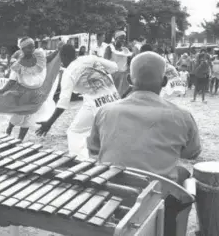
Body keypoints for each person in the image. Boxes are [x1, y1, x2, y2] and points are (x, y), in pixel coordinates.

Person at [86, 51, 201, 236]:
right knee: (184, 174)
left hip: (113, 193)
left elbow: (94, 149)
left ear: (130, 80)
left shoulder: (105, 111)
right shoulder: (182, 115)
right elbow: (192, 153)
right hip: (157, 198)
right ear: (164, 82)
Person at [36, 45, 119, 159]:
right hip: (115, 99)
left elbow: (63, 103)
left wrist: (49, 123)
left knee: (75, 132)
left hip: (97, 103)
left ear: (63, 57)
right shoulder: (90, 58)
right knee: (102, 132)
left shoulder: (69, 72)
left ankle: (81, 162)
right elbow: (114, 67)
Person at [0, 37, 60, 141]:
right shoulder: (18, 64)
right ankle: (9, 130)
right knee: (19, 115)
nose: (32, 49)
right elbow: (12, 80)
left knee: (29, 117)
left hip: (36, 93)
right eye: (29, 48)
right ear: (23, 49)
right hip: (22, 93)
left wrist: (58, 51)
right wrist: (2, 90)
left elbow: (48, 59)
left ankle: (20, 139)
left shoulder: (39, 59)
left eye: (33, 47)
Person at [104, 31, 133, 97]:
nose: (123, 40)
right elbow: (105, 61)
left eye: (124, 38)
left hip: (123, 77)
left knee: (122, 96)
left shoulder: (125, 50)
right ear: (116, 38)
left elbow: (129, 63)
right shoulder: (110, 48)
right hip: (113, 76)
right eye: (121, 38)